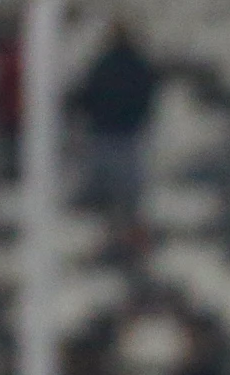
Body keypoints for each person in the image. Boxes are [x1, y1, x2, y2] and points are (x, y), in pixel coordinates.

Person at [73, 22, 158, 225]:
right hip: (127, 132)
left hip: (104, 131)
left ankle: (108, 227)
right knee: (127, 191)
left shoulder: (103, 64)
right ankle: (124, 227)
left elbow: (87, 94)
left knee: (102, 187)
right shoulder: (138, 64)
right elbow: (147, 95)